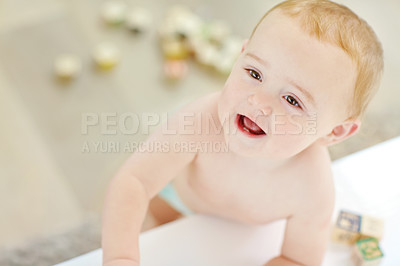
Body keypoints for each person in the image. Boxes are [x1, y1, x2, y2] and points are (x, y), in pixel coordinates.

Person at [102, 0, 384, 265]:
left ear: (336, 131)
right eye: (255, 73)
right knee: (160, 231)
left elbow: (299, 259)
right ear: (241, 56)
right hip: (178, 196)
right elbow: (135, 182)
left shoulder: (314, 185)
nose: (258, 102)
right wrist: (121, 258)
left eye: (292, 100)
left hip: (241, 232)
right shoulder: (200, 121)